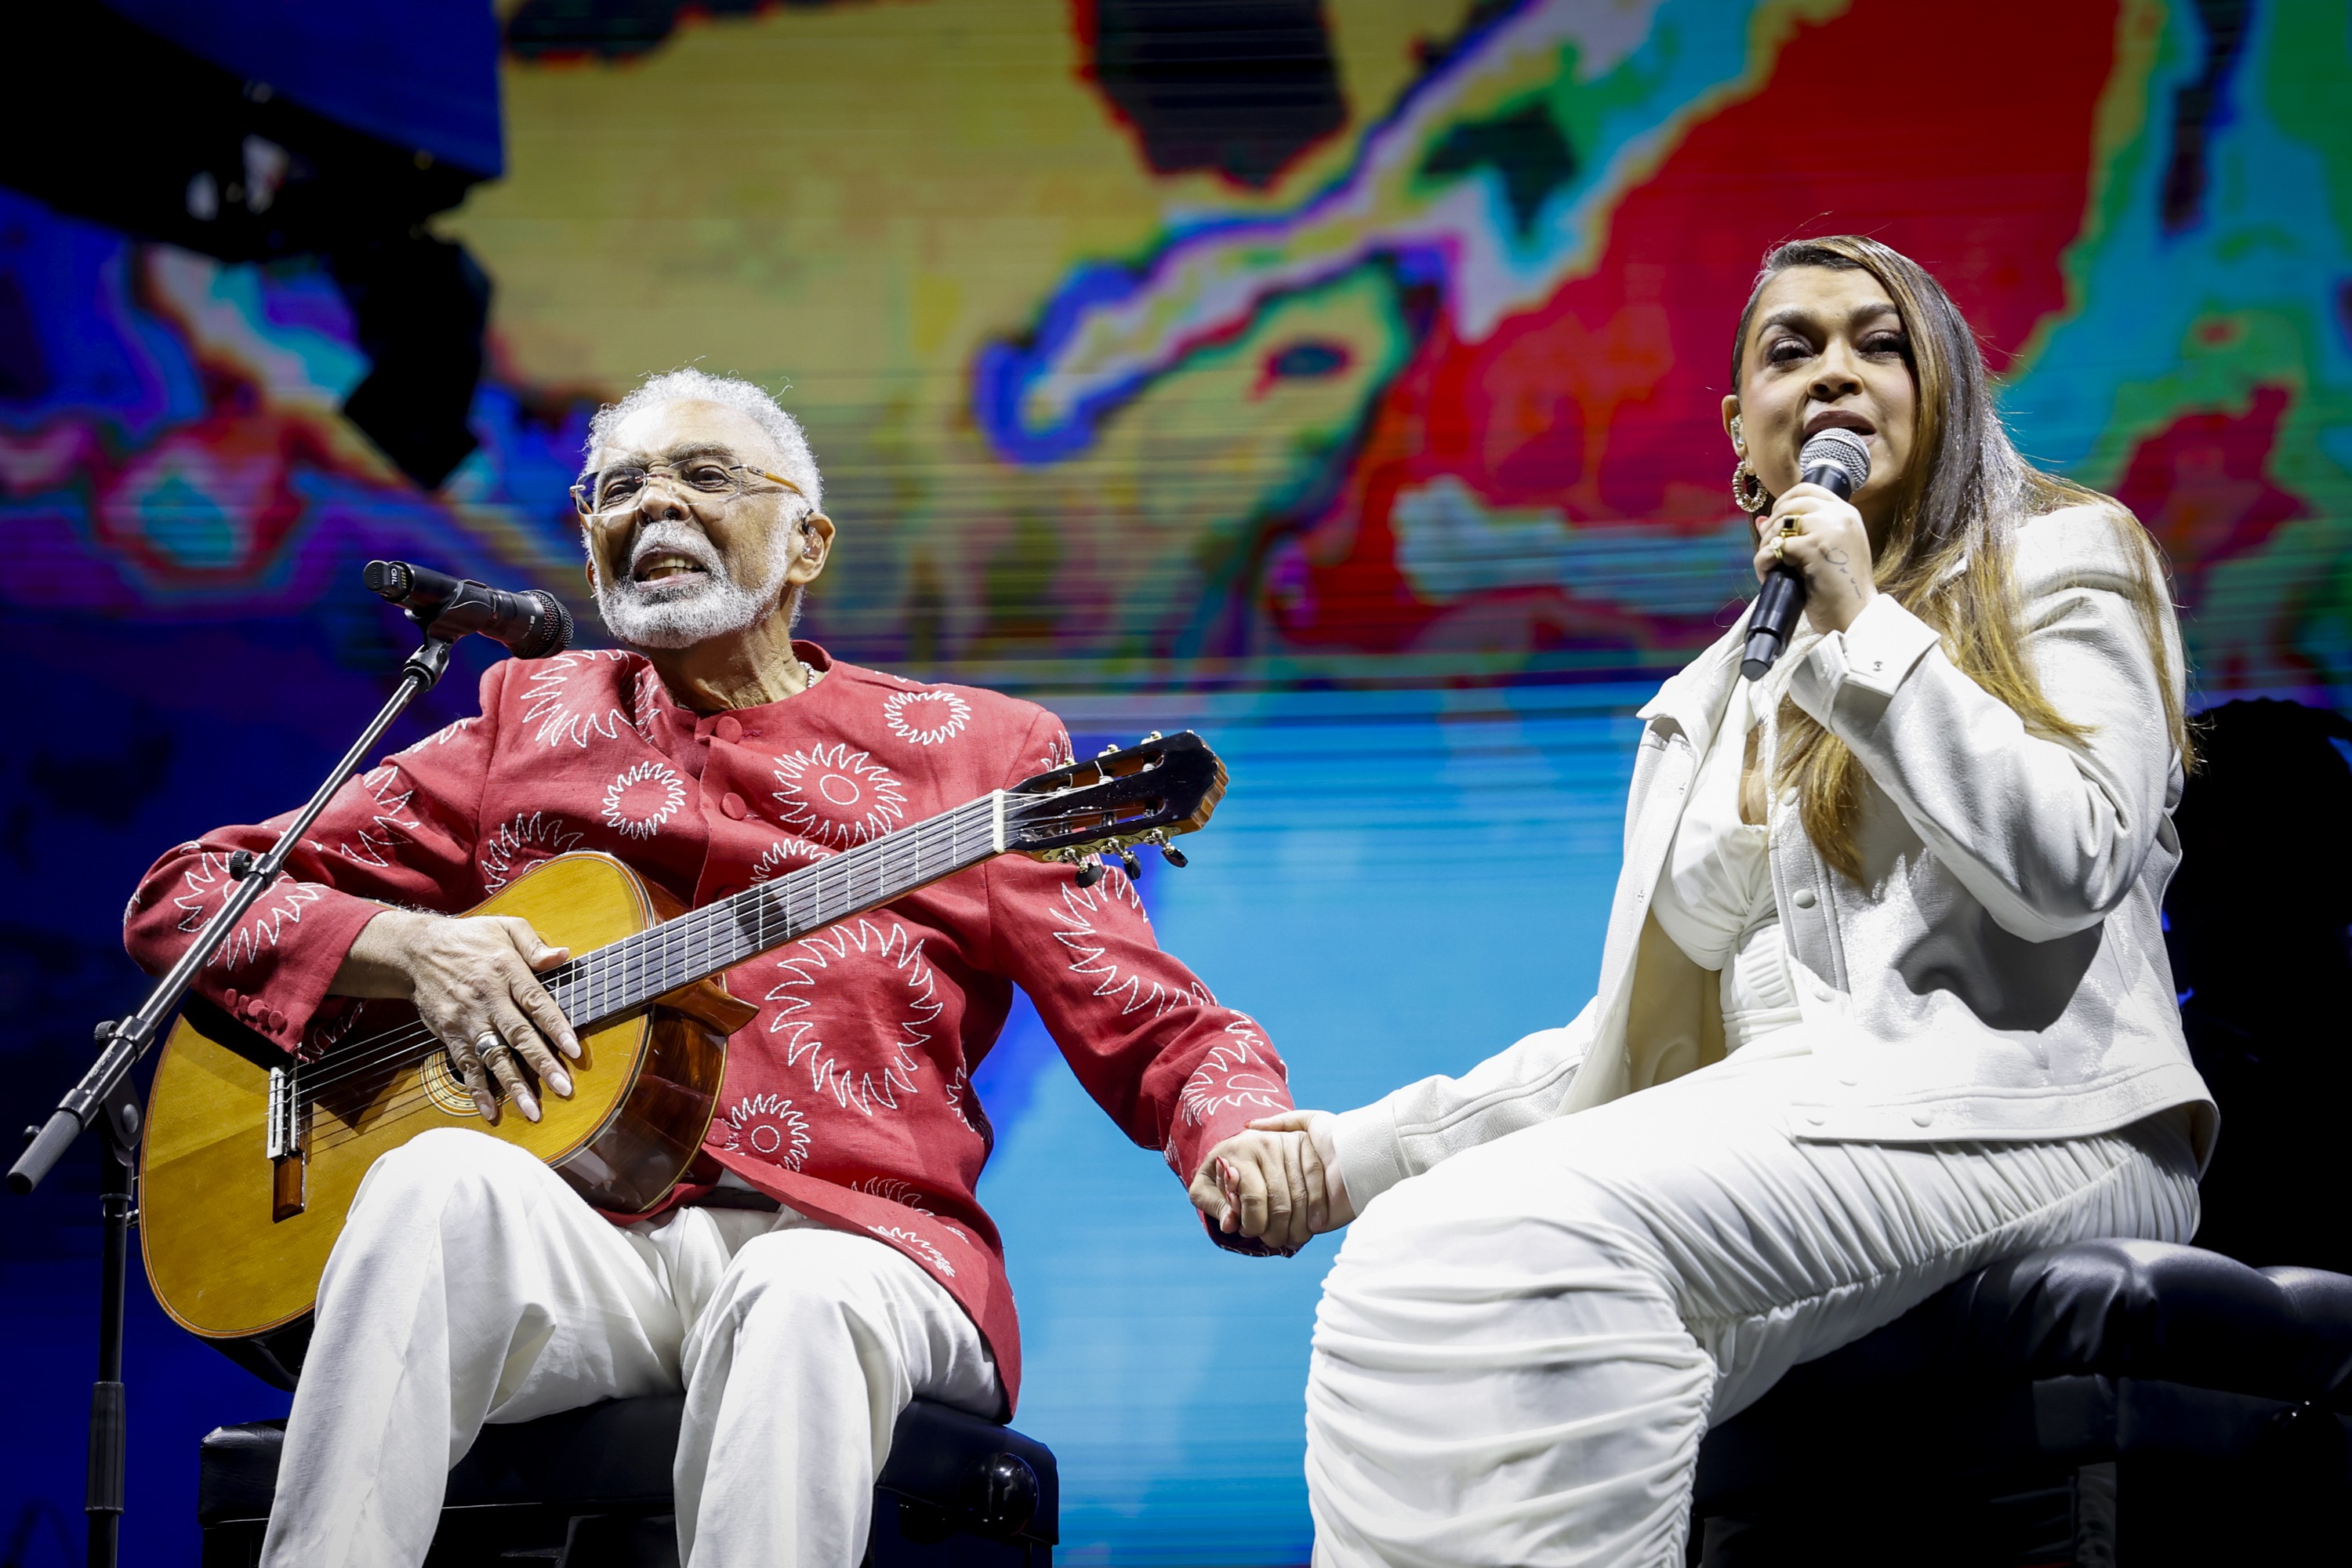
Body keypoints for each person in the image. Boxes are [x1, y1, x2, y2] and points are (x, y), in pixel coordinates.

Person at [125, 368, 1309, 1568]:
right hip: (595, 1250)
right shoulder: (522, 720)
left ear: (808, 544)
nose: (655, 507)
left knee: (792, 1293)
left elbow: (1153, 1017)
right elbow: (190, 900)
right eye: (620, 488)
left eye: (705, 477)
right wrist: (417, 949)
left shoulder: (977, 757)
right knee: (434, 1181)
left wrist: (1239, 1132)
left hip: (866, 1248)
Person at [1196, 236, 2216, 1566]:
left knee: (1524, 1240)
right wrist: (1351, 1159)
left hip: (2039, 1115)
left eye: (1879, 342)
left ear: (1948, 390)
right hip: (1810, 1123)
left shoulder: (2063, 562)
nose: (1836, 373)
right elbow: (1622, 1055)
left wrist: (1864, 625)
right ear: (1743, 430)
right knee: (1408, 1271)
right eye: (1792, 351)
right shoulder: (1710, 697)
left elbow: (2068, 860)